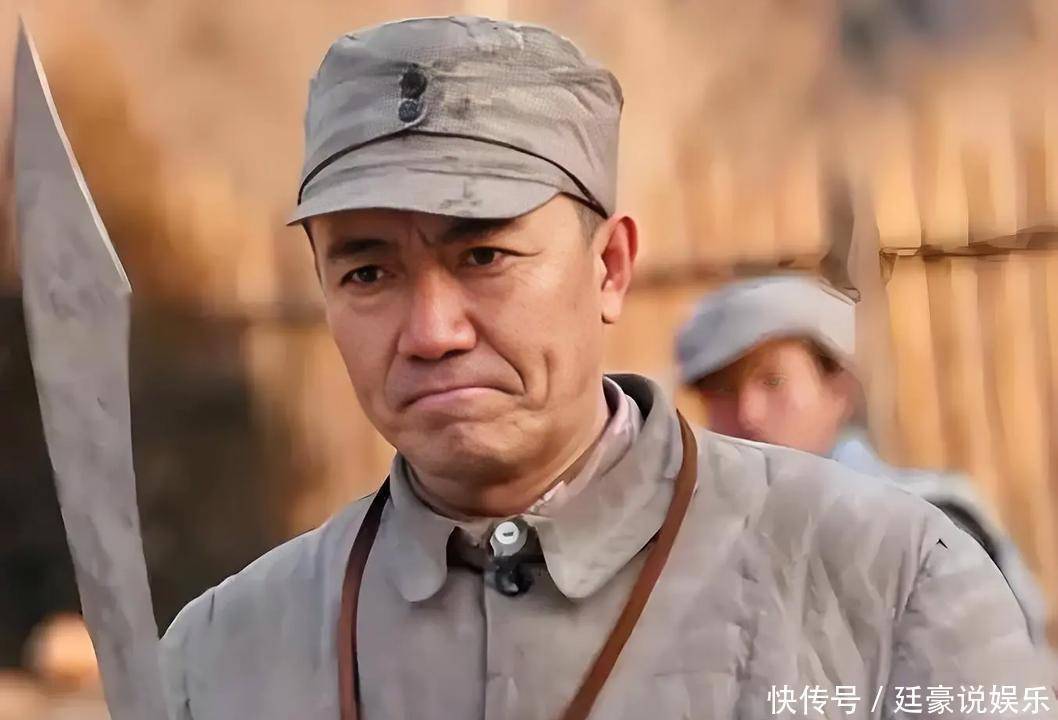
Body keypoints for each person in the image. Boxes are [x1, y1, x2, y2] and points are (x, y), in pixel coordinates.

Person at [160, 17, 1054, 720]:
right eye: (367, 274)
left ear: (611, 268)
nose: (431, 331)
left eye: (484, 257)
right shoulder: (217, 659)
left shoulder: (893, 581)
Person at [674, 274, 1049, 645]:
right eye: (722, 390)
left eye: (773, 381)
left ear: (838, 389)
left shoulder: (924, 526)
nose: (748, 413)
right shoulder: (704, 550)